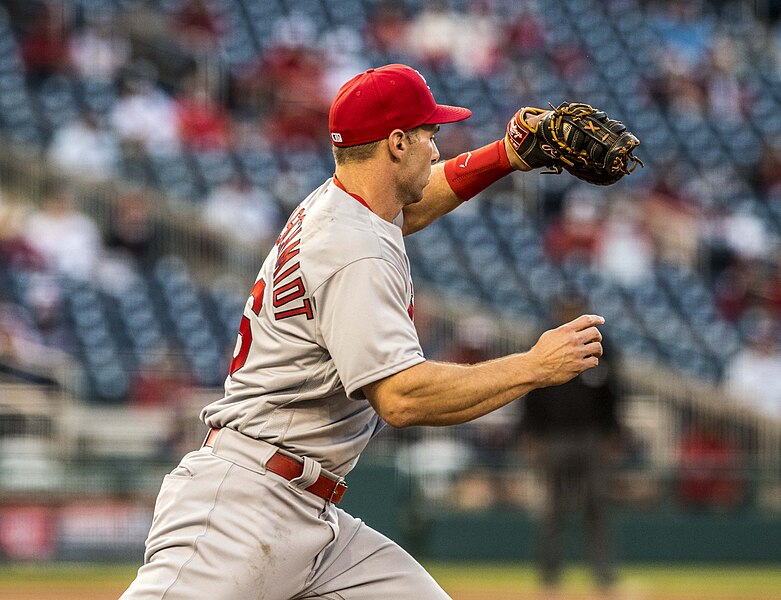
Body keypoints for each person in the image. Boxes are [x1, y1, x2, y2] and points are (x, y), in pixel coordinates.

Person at [121, 63, 606, 599]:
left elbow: (416, 207)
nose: (436, 149)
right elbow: (401, 397)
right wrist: (533, 366)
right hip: (244, 510)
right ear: (397, 143)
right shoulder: (352, 249)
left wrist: (507, 155)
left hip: (309, 512)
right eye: (429, 135)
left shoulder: (345, 204)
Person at [519, 294, 624, 595]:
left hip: (591, 438)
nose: (569, 313)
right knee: (553, 510)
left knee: (597, 508)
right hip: (554, 438)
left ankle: (604, 578)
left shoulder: (602, 346)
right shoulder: (543, 343)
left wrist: (611, 433)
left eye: (574, 308)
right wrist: (531, 433)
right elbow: (530, 390)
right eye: (565, 308)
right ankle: (550, 580)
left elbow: (613, 394)